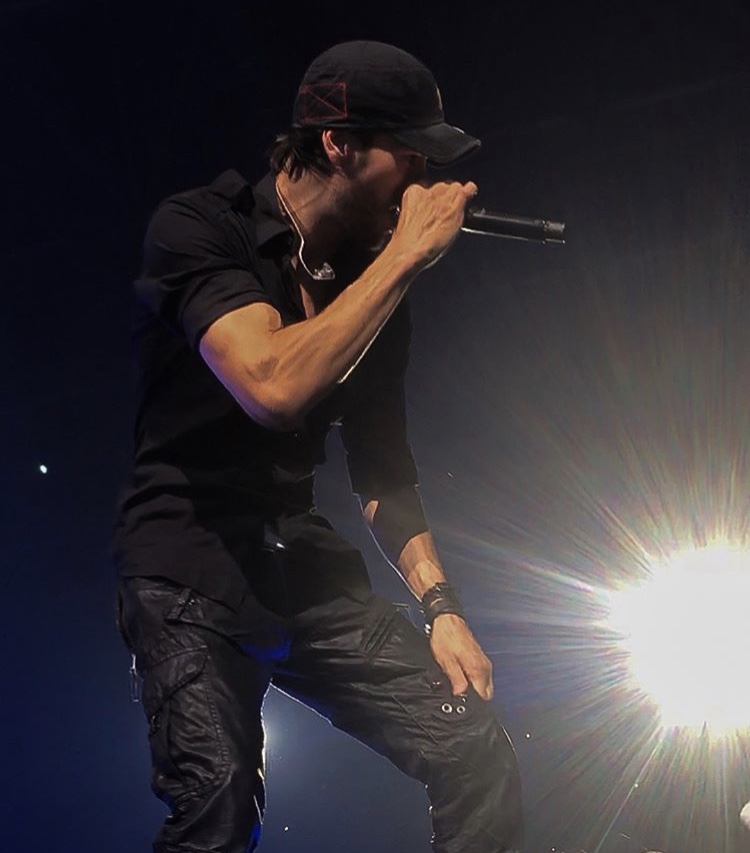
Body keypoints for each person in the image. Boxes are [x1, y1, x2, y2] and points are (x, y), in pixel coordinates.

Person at [114, 40, 523, 853]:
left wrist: (441, 607)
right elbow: (270, 386)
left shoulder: (371, 279)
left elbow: (383, 470)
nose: (424, 183)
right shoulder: (201, 228)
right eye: (411, 156)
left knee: (473, 749)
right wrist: (403, 258)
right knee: (219, 805)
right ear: (338, 144)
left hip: (295, 560)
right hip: (189, 560)